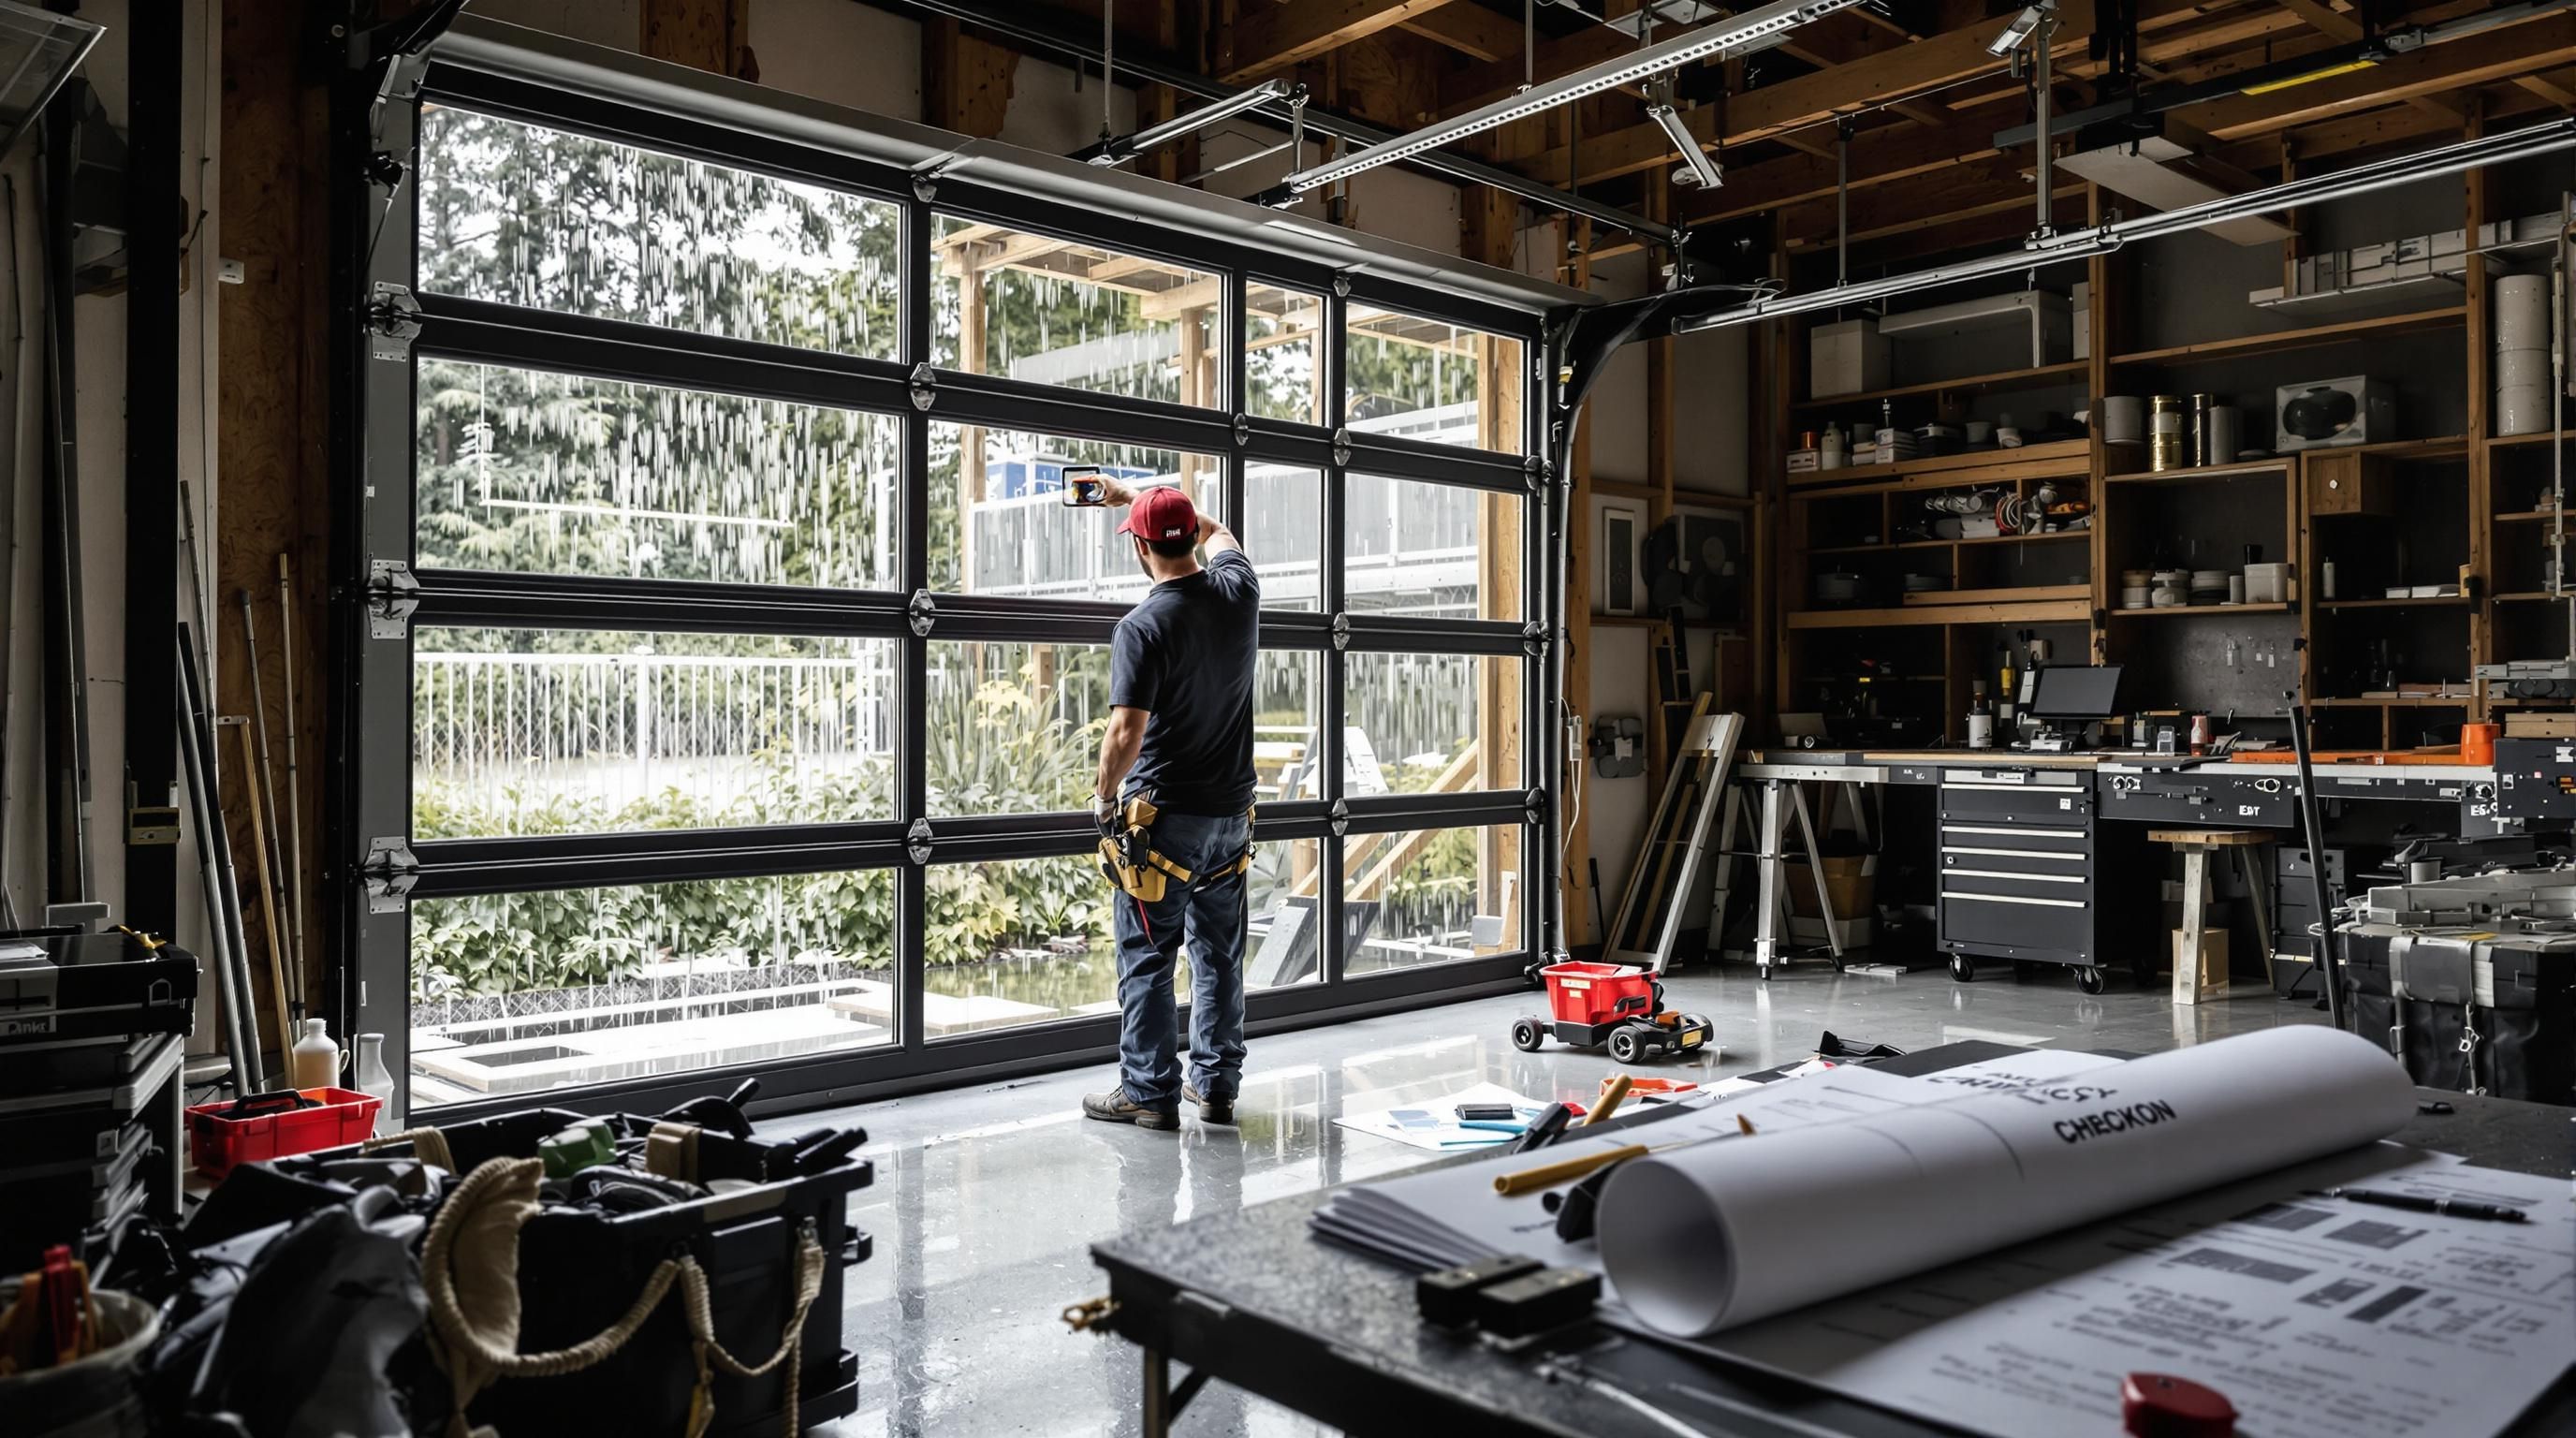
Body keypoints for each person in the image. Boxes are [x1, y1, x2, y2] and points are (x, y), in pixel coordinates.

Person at [1082, 479, 1259, 1131]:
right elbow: (1220, 537)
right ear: (1185, 537)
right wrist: (1147, 501)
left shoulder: (1142, 626)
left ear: (1140, 550)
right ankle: (1215, 1086)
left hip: (1163, 825)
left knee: (1150, 957)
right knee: (1218, 955)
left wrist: (1104, 800)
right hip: (1230, 819)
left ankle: (1149, 1091)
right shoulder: (1240, 594)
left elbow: (1125, 733)